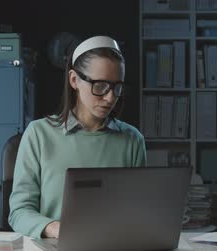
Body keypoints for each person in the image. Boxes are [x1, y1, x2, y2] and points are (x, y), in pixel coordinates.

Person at [8, 36, 147, 238]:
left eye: (117, 87)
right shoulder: (38, 134)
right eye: (100, 86)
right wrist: (56, 228)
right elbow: (19, 213)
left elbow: (140, 211)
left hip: (115, 248)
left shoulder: (132, 140)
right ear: (74, 80)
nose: (110, 97)